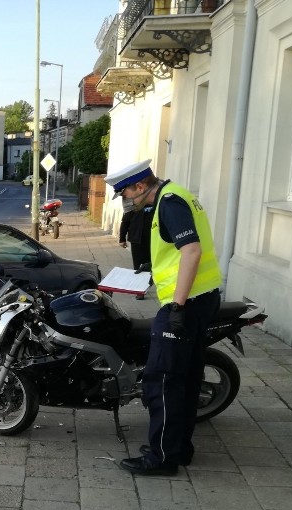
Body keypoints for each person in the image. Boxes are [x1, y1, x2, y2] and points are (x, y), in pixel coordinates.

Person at [105, 160, 222, 475]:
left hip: (186, 304)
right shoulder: (174, 195)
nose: (126, 199)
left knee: (161, 380)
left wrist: (177, 308)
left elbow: (191, 251)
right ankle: (179, 449)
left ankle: (161, 458)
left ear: (141, 186)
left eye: (126, 192)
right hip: (202, 297)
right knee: (185, 377)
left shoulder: (169, 203)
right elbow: (174, 255)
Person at [118, 199, 153, 299]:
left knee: (152, 264)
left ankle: (150, 282)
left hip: (154, 240)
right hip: (137, 240)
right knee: (138, 266)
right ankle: (140, 291)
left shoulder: (156, 203)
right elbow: (125, 222)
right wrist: (122, 239)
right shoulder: (132, 206)